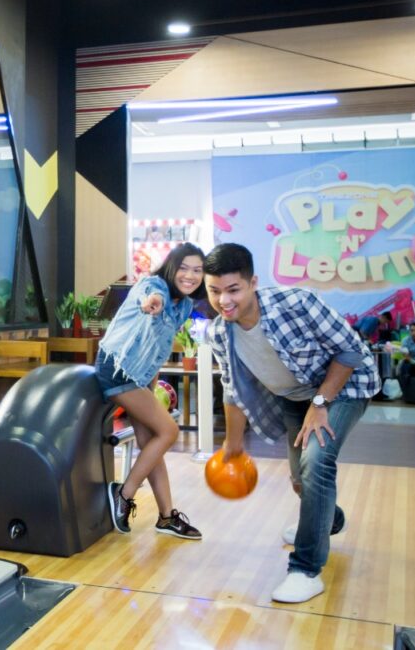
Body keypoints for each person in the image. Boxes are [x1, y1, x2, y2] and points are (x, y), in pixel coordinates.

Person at [202, 243, 380, 604]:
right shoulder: (220, 332)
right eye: (214, 291)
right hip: (294, 398)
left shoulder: (297, 303)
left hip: (344, 387)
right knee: (301, 480)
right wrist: (233, 445)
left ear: (253, 282)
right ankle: (325, 520)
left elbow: (350, 350)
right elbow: (232, 388)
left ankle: (305, 569)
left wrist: (321, 402)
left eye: (233, 289)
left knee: (316, 462)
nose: (224, 301)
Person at [98, 242, 206, 541]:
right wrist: (152, 302)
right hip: (117, 368)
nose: (190, 275)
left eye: (197, 270)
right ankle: (123, 493)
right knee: (169, 431)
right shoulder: (152, 285)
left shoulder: (184, 305)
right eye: (184, 268)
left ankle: (167, 517)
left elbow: (158, 348)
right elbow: (151, 296)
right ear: (171, 266)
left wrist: (152, 386)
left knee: (152, 446)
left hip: (140, 378)